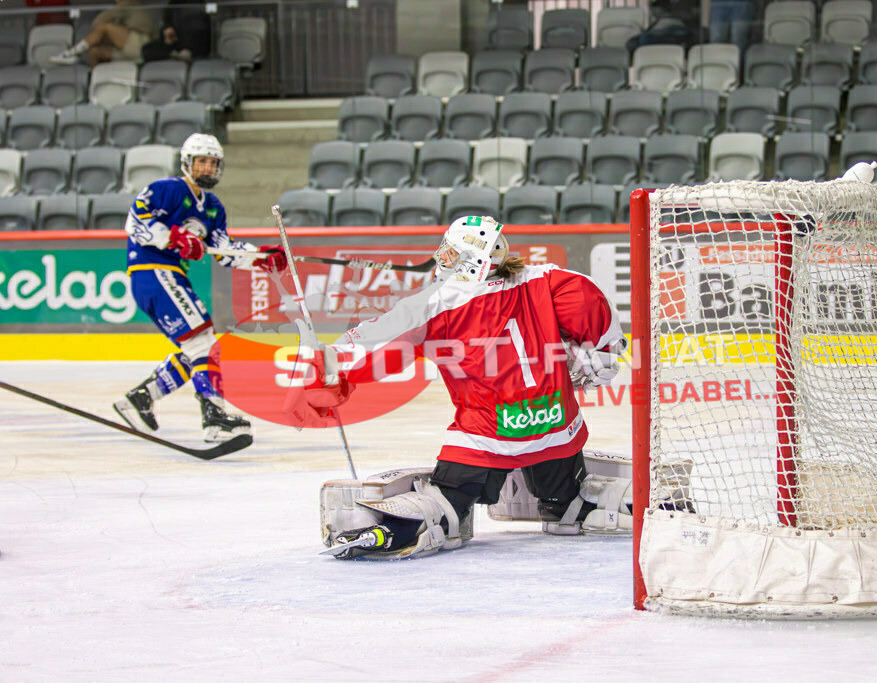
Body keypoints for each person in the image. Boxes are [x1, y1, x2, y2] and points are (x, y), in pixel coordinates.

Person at [297, 216, 628, 559]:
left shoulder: (434, 303)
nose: (444, 259)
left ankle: (425, 522)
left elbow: (375, 350)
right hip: (557, 429)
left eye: (454, 254)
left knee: (447, 502)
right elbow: (599, 326)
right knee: (564, 490)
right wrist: (599, 355)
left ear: (477, 259)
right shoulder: (549, 279)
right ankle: (567, 504)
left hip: (485, 436)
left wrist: (326, 362)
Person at [113, 133, 287, 443]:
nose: (206, 168)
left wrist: (260, 258)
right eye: (201, 162)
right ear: (187, 163)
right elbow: (135, 221)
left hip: (172, 276)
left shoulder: (213, 208)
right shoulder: (166, 190)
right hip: (152, 271)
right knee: (205, 344)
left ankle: (141, 398)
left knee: (196, 348)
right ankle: (214, 416)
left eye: (212, 162)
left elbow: (223, 250)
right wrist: (173, 238)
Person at [50, 0, 159, 66]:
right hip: (130, 51)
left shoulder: (129, 3)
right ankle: (93, 87)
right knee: (94, 52)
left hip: (142, 46)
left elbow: (99, 22)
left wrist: (103, 35)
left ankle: (71, 53)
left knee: (105, 28)